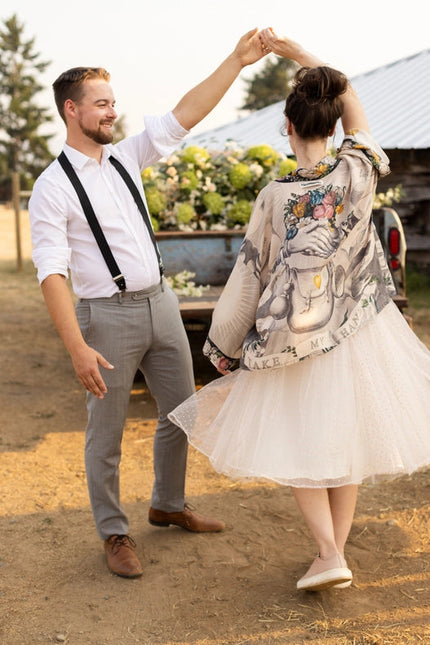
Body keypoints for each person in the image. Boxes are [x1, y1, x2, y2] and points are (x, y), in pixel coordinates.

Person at [169, 29, 430, 592]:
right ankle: (330, 553)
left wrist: (222, 346)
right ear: (334, 126)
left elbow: (247, 279)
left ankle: (329, 552)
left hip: (293, 338)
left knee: (299, 442)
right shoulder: (358, 170)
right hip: (361, 333)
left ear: (286, 127)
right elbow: (352, 97)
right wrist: (303, 57)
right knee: (344, 439)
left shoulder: (274, 196)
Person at [29, 29, 268, 579]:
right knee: (106, 433)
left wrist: (236, 60)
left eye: (114, 102)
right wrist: (77, 347)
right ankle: (114, 532)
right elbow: (52, 273)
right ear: (72, 110)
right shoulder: (52, 186)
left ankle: (168, 503)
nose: (113, 111)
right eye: (102, 103)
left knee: (182, 412)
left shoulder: (125, 156)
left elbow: (188, 112)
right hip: (104, 318)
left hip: (161, 301)